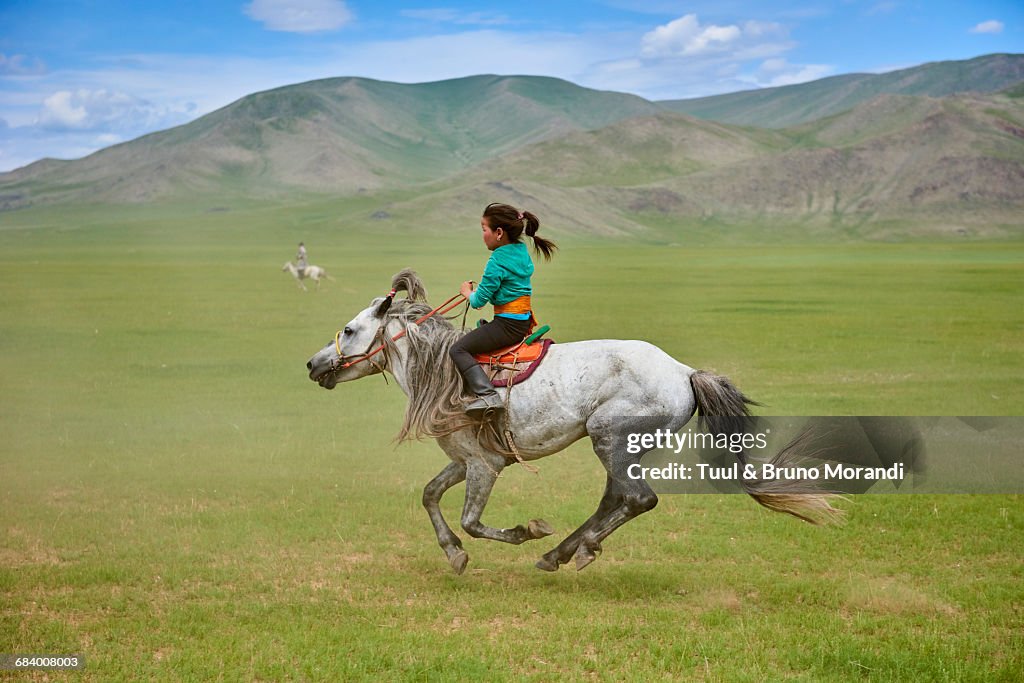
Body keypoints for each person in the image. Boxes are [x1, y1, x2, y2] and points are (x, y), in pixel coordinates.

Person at [449, 203, 558, 417]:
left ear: (498, 233)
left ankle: (488, 396)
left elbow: (479, 301)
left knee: (457, 349)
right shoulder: (520, 250)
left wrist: (466, 292)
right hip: (523, 320)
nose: (483, 235)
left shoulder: (497, 260)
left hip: (507, 325)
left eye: (484, 230)